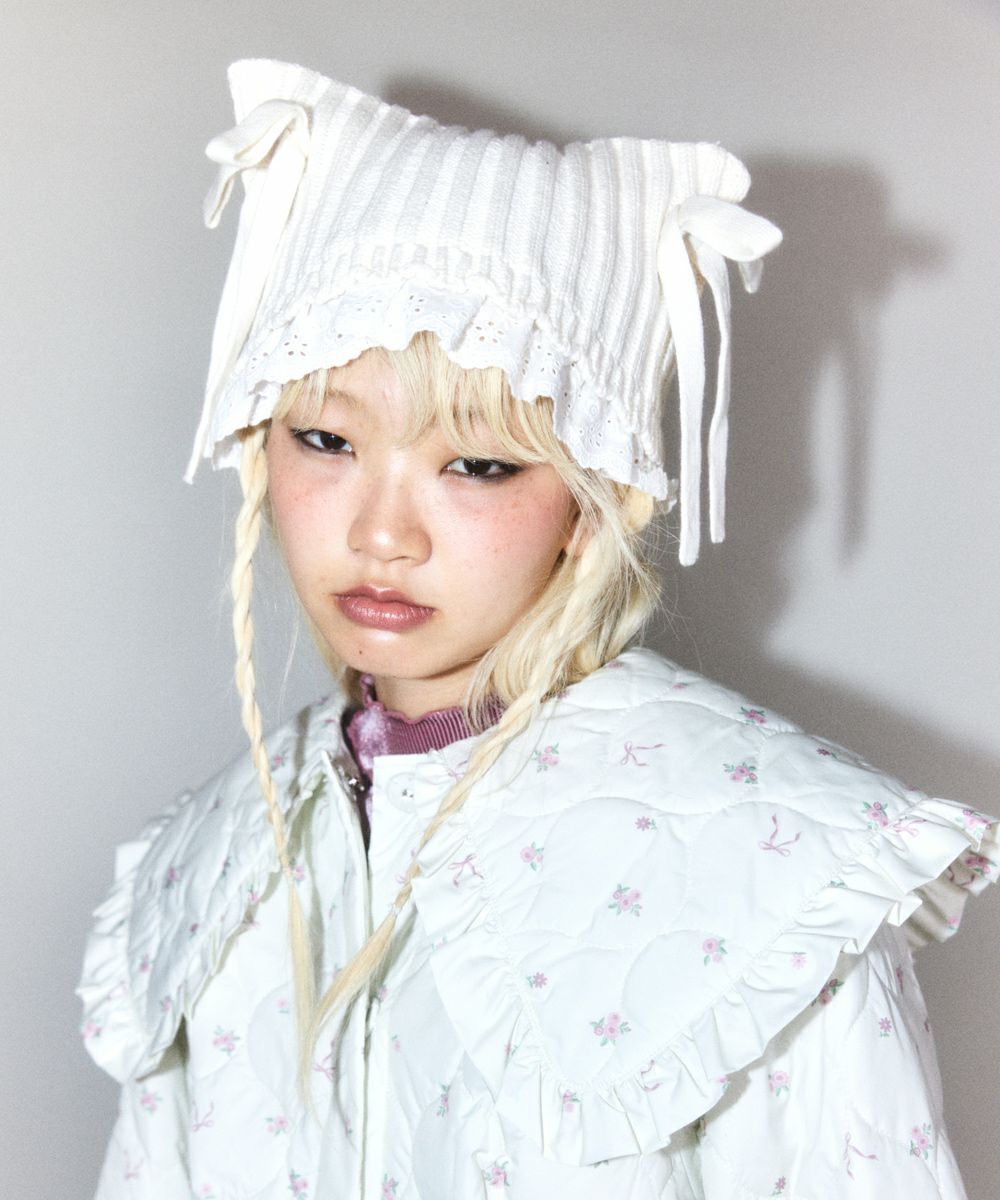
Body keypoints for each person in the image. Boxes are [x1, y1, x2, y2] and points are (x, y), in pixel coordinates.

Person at [78, 59, 997, 1200]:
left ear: (597, 497)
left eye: (476, 464)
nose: (380, 534)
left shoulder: (776, 882)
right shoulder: (209, 871)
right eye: (326, 440)